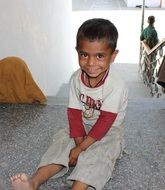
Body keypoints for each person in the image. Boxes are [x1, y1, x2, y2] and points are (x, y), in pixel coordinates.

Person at [10, 18, 128, 190]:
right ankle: (33, 182)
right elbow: (74, 114)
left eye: (100, 56)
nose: (91, 63)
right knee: (61, 143)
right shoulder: (75, 79)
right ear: (77, 51)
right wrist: (77, 144)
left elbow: (104, 123)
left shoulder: (116, 84)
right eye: (84, 54)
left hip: (108, 132)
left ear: (113, 56)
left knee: (98, 157)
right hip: (83, 128)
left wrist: (81, 149)